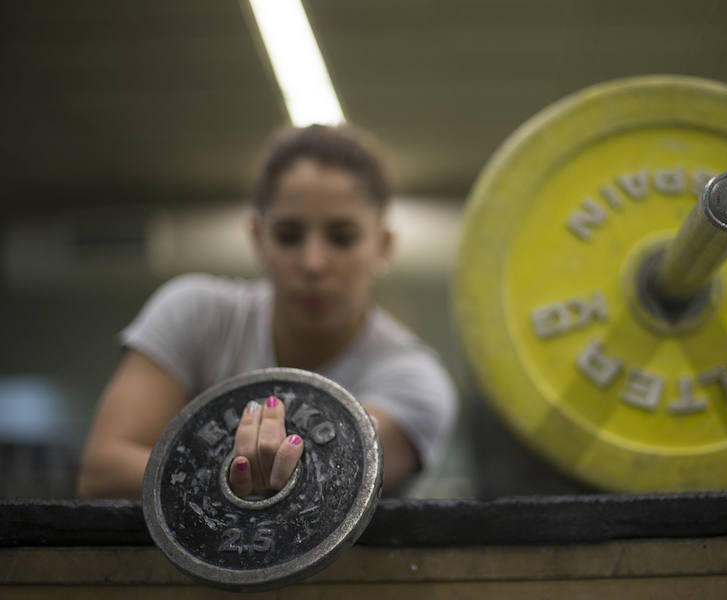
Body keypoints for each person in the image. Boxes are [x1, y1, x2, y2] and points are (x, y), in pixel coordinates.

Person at [77, 124, 457, 499]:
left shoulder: (415, 382)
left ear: (384, 245)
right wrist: (237, 475)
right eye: (288, 235)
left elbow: (328, 484)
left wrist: (207, 476)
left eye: (342, 237)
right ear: (258, 238)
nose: (312, 263)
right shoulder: (192, 314)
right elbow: (103, 471)